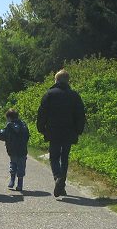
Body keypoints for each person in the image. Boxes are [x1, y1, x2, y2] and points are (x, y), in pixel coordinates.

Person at [36, 69, 86, 197]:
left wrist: (41, 128)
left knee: (54, 157)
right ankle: (61, 184)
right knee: (64, 157)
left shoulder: (49, 94)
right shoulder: (74, 95)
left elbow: (42, 113)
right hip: (69, 131)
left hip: (53, 131)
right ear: (68, 81)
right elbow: (80, 115)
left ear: (56, 80)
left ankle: (58, 177)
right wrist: (79, 130)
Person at [0, 108, 30, 191]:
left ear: (9, 117)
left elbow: (2, 135)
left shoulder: (9, 126)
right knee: (21, 167)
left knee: (13, 164)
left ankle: (12, 181)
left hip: (12, 150)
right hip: (22, 150)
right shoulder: (23, 125)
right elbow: (27, 136)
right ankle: (20, 184)